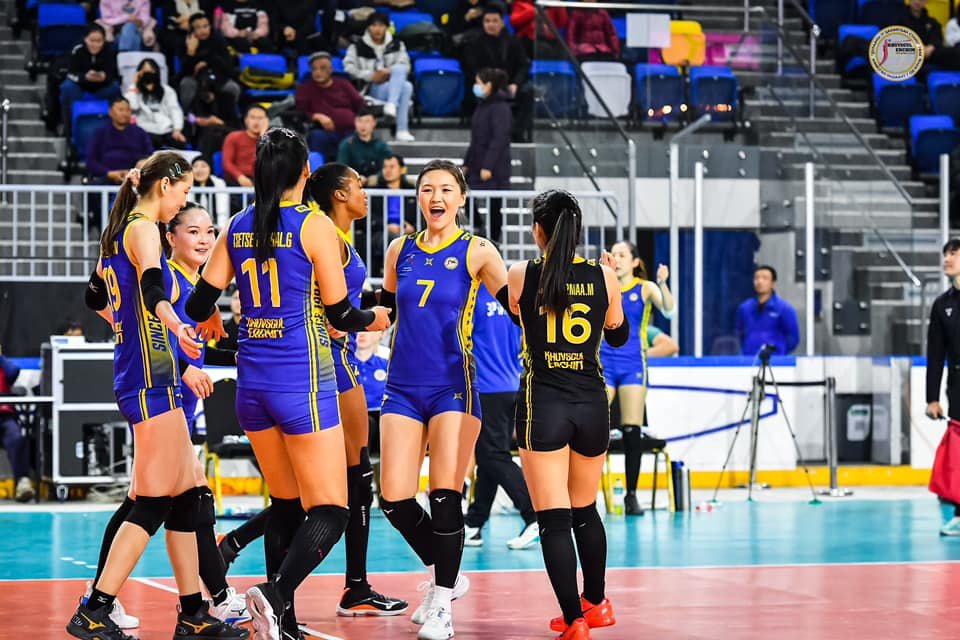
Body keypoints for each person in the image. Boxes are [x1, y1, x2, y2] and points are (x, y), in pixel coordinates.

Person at [183, 128, 391, 640]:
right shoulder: (314, 225)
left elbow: (197, 303)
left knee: (286, 503)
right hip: (303, 381)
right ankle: (275, 597)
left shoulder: (237, 224)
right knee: (333, 509)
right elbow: (341, 314)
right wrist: (377, 318)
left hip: (251, 384)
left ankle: (285, 622)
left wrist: (214, 320)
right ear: (304, 171)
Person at [69, 151, 246, 640]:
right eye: (184, 191)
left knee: (190, 498)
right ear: (165, 184)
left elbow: (95, 297)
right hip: (151, 379)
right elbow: (151, 288)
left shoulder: (118, 231)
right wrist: (177, 329)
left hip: (147, 374)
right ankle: (94, 609)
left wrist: (128, 327)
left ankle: (193, 613)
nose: (183, 201)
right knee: (150, 502)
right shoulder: (143, 228)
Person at [377, 159, 512, 640]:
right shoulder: (399, 249)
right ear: (418, 197)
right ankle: (448, 574)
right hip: (402, 386)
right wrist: (342, 319)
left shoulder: (478, 250)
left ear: (461, 198)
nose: (436, 197)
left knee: (444, 493)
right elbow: (385, 312)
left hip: (454, 385)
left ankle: (441, 603)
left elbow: (517, 308)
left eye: (446, 189)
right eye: (427, 189)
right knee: (394, 498)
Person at [506, 189, 623, 640]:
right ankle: (597, 604)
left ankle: (574, 619)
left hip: (544, 405)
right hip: (592, 404)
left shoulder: (521, 273)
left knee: (553, 518)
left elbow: (523, 321)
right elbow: (617, 335)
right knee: (585, 509)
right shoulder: (603, 275)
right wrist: (607, 288)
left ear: (538, 230)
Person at [304, 163, 408, 615]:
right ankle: (352, 586)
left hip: (330, 359)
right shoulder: (325, 236)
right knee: (349, 480)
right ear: (340, 194)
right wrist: (367, 318)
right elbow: (329, 308)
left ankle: (356, 584)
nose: (366, 192)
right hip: (332, 362)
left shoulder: (333, 235)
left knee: (343, 482)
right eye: (359, 186)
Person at [599, 242, 674, 516]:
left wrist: (663, 283)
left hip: (632, 365)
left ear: (634, 262)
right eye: (614, 254)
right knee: (592, 424)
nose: (617, 259)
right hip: (604, 363)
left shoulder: (645, 288)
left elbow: (669, 311)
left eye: (622, 255)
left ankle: (631, 495)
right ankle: (585, 494)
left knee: (632, 429)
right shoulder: (603, 284)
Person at [463, 285, 538, 550]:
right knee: (488, 457)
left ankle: (533, 514)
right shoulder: (512, 297)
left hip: (487, 387)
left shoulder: (472, 297)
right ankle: (474, 523)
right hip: (510, 384)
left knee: (493, 456)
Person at [926, 239, 960, 536]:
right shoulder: (941, 305)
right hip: (958, 388)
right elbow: (936, 354)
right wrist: (932, 398)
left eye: (954, 254)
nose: (947, 259)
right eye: (945, 254)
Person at [460, 5, 533, 141]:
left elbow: (523, 65)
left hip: (509, 83)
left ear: (502, 22)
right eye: (487, 21)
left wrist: (515, 83)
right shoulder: (475, 42)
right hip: (486, 84)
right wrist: (488, 83)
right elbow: (472, 68)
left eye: (494, 21)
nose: (491, 25)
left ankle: (516, 133)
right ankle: (487, 133)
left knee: (529, 92)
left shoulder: (513, 41)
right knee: (479, 91)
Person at [343, 11, 416, 142]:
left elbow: (406, 66)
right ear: (368, 27)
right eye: (374, 25)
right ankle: (401, 128)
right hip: (369, 88)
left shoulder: (397, 45)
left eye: (381, 25)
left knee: (405, 83)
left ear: (387, 27)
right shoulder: (357, 46)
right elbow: (349, 68)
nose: (377, 29)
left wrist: (388, 72)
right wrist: (371, 76)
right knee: (406, 86)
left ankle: (392, 107)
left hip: (392, 85)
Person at [463, 68, 512, 243]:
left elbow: (499, 138)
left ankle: (494, 240)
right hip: (476, 162)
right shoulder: (483, 105)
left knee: (494, 205)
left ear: (488, 85)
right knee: (463, 193)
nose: (476, 87)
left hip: (494, 166)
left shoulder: (501, 108)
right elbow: (476, 139)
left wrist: (488, 166)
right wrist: (466, 163)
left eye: (478, 83)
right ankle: (479, 226)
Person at [296, 51, 366, 161]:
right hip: (324, 133)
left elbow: (360, 104)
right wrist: (315, 116)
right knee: (317, 136)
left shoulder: (343, 83)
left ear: (331, 70)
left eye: (322, 68)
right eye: (314, 69)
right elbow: (300, 112)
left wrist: (360, 121)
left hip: (350, 130)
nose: (318, 72)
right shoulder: (305, 88)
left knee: (358, 138)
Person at [177, 13, 241, 114]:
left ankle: (227, 117)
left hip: (217, 76)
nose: (203, 30)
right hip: (194, 78)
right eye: (198, 27)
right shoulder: (185, 42)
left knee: (232, 88)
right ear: (192, 29)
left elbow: (228, 66)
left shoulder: (219, 40)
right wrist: (190, 52)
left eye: (205, 26)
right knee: (186, 84)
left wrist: (207, 62)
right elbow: (184, 71)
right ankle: (186, 116)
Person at [60, 25, 121, 127]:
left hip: (102, 87)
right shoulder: (77, 50)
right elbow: (71, 73)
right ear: (85, 39)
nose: (95, 44)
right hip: (80, 87)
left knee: (115, 87)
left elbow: (114, 74)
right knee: (67, 87)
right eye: (92, 41)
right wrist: (85, 77)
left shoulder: (109, 51)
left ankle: (112, 127)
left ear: (104, 40)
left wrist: (104, 77)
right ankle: (69, 128)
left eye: (99, 41)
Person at [87, 97, 154, 185]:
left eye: (127, 110)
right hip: (106, 176)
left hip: (135, 178)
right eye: (121, 110)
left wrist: (137, 170)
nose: (124, 113)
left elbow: (150, 156)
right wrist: (109, 173)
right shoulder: (100, 133)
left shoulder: (140, 132)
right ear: (110, 112)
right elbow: (91, 161)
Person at [735, 265, 799, 357]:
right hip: (749, 359)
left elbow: (793, 338)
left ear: (773, 283)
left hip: (775, 360)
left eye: (765, 278)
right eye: (756, 278)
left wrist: (779, 352)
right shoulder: (744, 308)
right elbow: (739, 334)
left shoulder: (784, 308)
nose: (759, 281)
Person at [124, 59, 187, 149]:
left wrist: (177, 129)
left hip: (166, 129)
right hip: (145, 130)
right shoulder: (134, 90)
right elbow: (132, 107)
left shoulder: (167, 90)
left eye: (151, 71)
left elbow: (175, 110)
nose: (148, 74)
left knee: (180, 143)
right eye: (145, 71)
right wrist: (134, 84)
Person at [0, 352, 32, 502]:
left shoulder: (4, 367)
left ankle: (22, 482)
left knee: (16, 438)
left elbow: (13, 372)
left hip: (4, 417)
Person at [336, 107, 393, 181]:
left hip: (378, 184)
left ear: (374, 123)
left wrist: (373, 179)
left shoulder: (382, 146)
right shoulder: (347, 144)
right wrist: (356, 178)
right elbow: (341, 169)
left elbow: (389, 167)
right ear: (355, 122)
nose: (363, 125)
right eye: (359, 121)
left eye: (367, 121)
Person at [222, 104, 269, 187]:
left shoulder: (273, 141)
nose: (256, 122)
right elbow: (227, 163)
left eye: (260, 118)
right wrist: (239, 176)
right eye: (253, 118)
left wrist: (262, 137)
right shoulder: (233, 137)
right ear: (246, 120)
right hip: (237, 180)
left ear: (267, 121)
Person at [190, 156, 230, 228]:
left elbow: (222, 208)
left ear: (210, 168)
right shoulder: (188, 184)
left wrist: (221, 226)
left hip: (216, 227)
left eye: (203, 166)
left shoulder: (219, 183)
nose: (199, 170)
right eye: (195, 166)